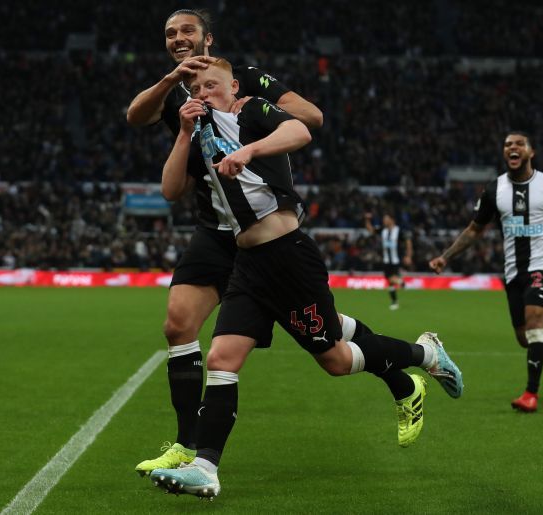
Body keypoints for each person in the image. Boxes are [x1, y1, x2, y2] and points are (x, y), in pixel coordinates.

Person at [149, 59, 463, 498]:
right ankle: (205, 468)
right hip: (248, 265)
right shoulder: (198, 134)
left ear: (233, 85)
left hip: (288, 257)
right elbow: (168, 190)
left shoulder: (251, 110)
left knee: (334, 359)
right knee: (222, 359)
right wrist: (183, 132)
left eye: (213, 86)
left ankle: (424, 353)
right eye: (197, 89)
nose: (205, 94)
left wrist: (250, 151)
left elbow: (301, 130)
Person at [127, 8, 352, 477]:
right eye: (170, 33)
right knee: (177, 324)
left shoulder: (242, 80)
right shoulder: (175, 93)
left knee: (326, 341)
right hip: (215, 227)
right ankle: (188, 447)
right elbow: (136, 116)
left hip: (263, 226)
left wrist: (248, 119)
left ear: (207, 38)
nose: (178, 38)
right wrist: (173, 82)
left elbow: (311, 116)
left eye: (186, 30)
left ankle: (402, 365)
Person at [429, 131, 543, 413]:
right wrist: (445, 257)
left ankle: (530, 394)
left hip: (542, 265)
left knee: (535, 325)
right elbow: (475, 229)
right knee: (523, 338)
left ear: (530, 152)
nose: (512, 148)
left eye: (518, 144)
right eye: (507, 145)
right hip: (514, 271)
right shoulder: (494, 190)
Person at [365, 212, 412, 310]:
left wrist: (408, 256)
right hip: (386, 260)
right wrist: (367, 220)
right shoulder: (383, 230)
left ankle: (401, 283)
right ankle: (394, 302)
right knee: (390, 282)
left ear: (392, 220)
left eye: (386, 219)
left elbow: (408, 242)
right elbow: (370, 230)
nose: (384, 221)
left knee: (391, 279)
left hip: (396, 260)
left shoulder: (399, 231)